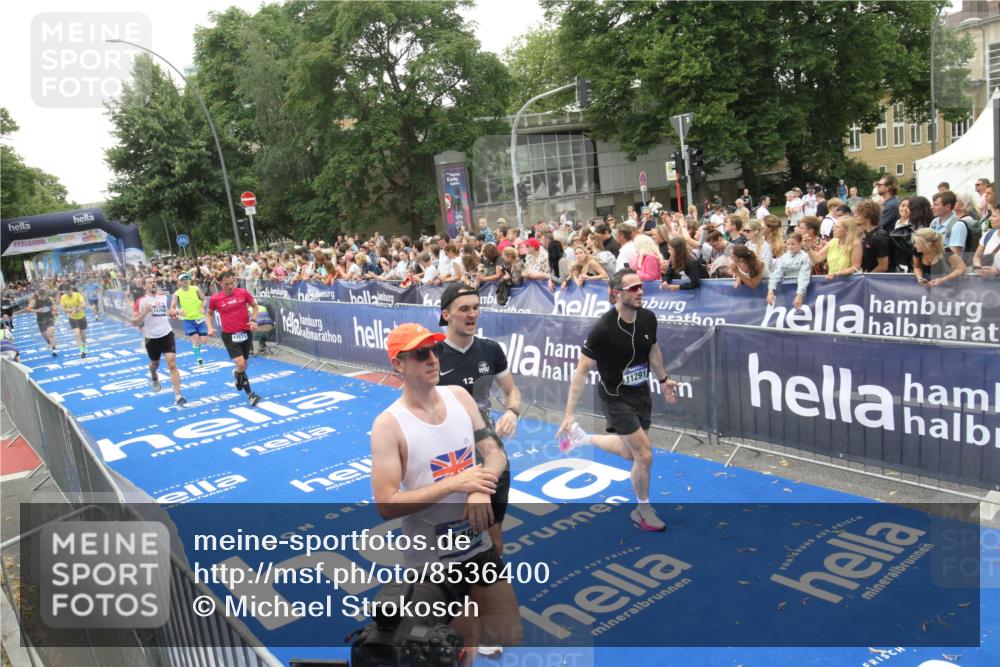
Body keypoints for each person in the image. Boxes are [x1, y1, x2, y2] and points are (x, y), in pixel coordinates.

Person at [370, 323, 521, 662]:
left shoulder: (459, 397)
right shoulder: (388, 424)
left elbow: (496, 453)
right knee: (457, 650)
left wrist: (480, 489)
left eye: (434, 351)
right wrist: (456, 484)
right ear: (398, 364)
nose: (432, 359)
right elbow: (386, 503)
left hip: (477, 543)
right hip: (431, 561)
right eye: (421, 354)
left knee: (507, 631)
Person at [557, 269, 680, 532]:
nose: (640, 291)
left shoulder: (648, 318)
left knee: (629, 453)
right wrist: (569, 413)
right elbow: (581, 370)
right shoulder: (603, 328)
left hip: (640, 394)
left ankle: (583, 438)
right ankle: (643, 509)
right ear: (617, 293)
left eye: (641, 287)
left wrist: (663, 379)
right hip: (615, 398)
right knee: (645, 455)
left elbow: (654, 351)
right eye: (633, 288)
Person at [208, 271, 261, 405]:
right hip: (229, 335)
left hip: (245, 332)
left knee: (244, 365)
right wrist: (209, 327)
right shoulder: (216, 299)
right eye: (227, 284)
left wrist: (254, 320)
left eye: (232, 283)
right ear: (221, 284)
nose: (230, 286)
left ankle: (238, 375)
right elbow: (208, 314)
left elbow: (255, 307)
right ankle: (251, 395)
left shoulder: (243, 293)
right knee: (241, 363)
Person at [132, 277, 187, 406]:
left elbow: (165, 313)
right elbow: (134, 322)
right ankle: (153, 374)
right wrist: (145, 311)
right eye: (150, 282)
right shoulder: (140, 301)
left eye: (154, 282)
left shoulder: (162, 297)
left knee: (172, 364)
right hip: (151, 338)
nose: (153, 284)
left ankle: (178, 395)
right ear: (144, 287)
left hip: (167, 334)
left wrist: (176, 313)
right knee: (154, 364)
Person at [170, 273, 210, 366]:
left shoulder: (196, 289)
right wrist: (178, 312)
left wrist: (202, 307)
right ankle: (198, 357)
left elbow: (204, 299)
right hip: (188, 320)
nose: (185, 281)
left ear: (189, 280)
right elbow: (172, 307)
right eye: (183, 279)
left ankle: (197, 348)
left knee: (204, 340)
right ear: (179, 282)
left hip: (199, 318)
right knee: (195, 338)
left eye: (187, 279)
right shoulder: (177, 293)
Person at [767, 232, 812, 310]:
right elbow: (776, 273)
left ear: (800, 244)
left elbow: (804, 276)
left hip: (801, 290)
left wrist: (800, 294)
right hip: (786, 291)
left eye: (793, 244)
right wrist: (771, 290)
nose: (790, 247)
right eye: (788, 244)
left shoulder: (805, 257)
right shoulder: (784, 257)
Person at [857, 200, 890, 273]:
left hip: (876, 280)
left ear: (867, 217)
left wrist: (867, 276)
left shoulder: (879, 237)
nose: (855, 215)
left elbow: (883, 266)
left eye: (859, 214)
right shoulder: (865, 234)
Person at [59, 283, 89, 358]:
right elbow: (62, 308)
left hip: (81, 316)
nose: (68, 293)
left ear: (71, 289)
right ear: (64, 291)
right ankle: (81, 350)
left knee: (83, 335)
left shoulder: (77, 295)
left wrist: (78, 308)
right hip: (72, 318)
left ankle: (84, 345)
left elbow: (84, 304)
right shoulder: (63, 297)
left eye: (69, 291)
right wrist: (68, 310)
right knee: (76, 334)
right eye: (66, 292)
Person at [28, 285, 58, 357]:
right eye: (41, 296)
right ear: (38, 295)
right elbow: (29, 309)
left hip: (50, 318)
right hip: (41, 320)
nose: (43, 298)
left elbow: (53, 306)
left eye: (44, 296)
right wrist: (37, 310)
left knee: (51, 333)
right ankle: (49, 343)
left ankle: (54, 350)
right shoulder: (34, 301)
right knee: (45, 335)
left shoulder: (49, 299)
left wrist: (54, 310)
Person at [972, 205, 1000, 277]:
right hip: (987, 284)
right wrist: (979, 267)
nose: (990, 219)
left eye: (994, 216)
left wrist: (997, 272)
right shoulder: (988, 234)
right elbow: (977, 257)